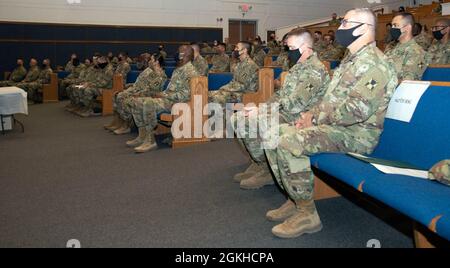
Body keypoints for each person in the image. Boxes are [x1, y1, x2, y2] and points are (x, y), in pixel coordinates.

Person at [263, 8, 398, 239]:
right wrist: (309, 116)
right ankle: (295, 198)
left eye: (345, 23)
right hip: (336, 128)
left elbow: (356, 111)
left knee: (287, 141)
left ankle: (307, 214)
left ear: (364, 29)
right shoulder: (351, 60)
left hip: (357, 135)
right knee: (273, 133)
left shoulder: (375, 63)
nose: (339, 28)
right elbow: (329, 100)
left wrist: (313, 118)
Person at [232, 28, 330, 190]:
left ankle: (267, 170)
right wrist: (260, 107)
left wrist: (262, 112)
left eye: (291, 48)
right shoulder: (297, 67)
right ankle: (260, 163)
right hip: (286, 111)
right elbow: (280, 95)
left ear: (305, 47)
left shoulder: (314, 70)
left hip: (300, 117)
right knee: (239, 118)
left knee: (250, 122)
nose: (288, 52)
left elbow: (295, 105)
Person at [126, 45, 199, 153]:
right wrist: (161, 94)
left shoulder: (191, 72)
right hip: (168, 100)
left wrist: (164, 95)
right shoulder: (178, 69)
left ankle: (150, 141)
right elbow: (171, 89)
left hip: (177, 103)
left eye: (179, 52)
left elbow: (185, 95)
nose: (176, 53)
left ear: (185, 55)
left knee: (147, 103)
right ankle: (142, 136)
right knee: (137, 101)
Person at [105, 53, 167, 135]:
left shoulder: (160, 76)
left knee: (123, 98)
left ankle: (126, 125)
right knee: (117, 95)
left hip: (147, 96)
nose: (149, 61)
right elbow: (140, 83)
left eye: (151, 60)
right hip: (138, 92)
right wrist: (132, 89)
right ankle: (118, 122)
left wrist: (138, 94)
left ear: (157, 62)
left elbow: (152, 91)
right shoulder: (150, 71)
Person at [385, 13, 427, 81]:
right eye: (392, 26)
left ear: (407, 28)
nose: (392, 29)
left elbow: (408, 81)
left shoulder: (417, 52)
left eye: (395, 25)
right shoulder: (392, 48)